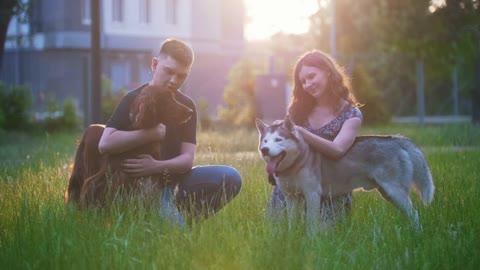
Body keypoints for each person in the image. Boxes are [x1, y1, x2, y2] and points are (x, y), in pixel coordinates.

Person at [98, 38, 242, 225]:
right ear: (155, 64)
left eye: (182, 75)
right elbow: (105, 143)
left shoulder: (186, 105)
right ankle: (169, 222)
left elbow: (186, 160)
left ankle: (184, 221)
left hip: (177, 181)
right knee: (174, 234)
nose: (174, 80)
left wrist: (155, 165)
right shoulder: (133, 99)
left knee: (231, 177)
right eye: (169, 71)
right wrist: (150, 134)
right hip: (146, 186)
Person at [267, 50, 363, 225]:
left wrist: (303, 133)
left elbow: (338, 150)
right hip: (291, 186)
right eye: (303, 81)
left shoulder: (351, 114)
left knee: (322, 235)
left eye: (311, 76)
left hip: (330, 188)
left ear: (327, 71)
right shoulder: (297, 111)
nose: (307, 84)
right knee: (280, 232)